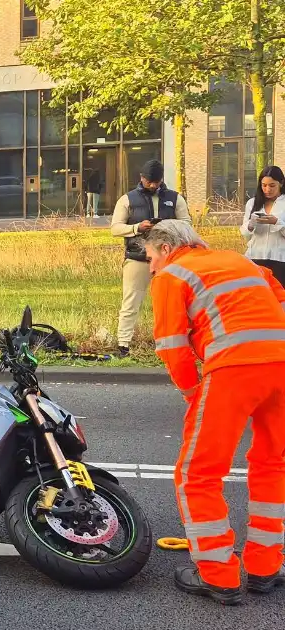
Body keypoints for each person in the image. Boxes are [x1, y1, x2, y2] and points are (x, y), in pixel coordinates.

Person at [146, 219, 285, 604]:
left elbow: (172, 347)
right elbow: (279, 301)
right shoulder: (243, 263)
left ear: (165, 248)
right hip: (282, 364)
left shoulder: (172, 275)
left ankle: (219, 574)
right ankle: (265, 566)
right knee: (272, 465)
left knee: (198, 474)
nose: (151, 267)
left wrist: (194, 392)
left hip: (233, 369)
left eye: (150, 258)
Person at [110, 159, 190, 357]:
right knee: (131, 300)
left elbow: (187, 223)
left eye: (157, 181)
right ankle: (123, 344)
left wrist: (168, 227)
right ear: (141, 178)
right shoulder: (127, 199)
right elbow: (115, 228)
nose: (153, 185)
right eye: (149, 182)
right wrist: (137, 228)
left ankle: (171, 344)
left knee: (170, 302)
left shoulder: (175, 198)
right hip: (138, 257)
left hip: (168, 259)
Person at [240, 165, 285, 287]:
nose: (267, 189)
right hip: (255, 257)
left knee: (279, 298)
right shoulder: (252, 203)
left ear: (281, 183)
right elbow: (245, 233)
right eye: (264, 185)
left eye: (272, 185)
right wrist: (251, 224)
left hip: (280, 259)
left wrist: (277, 222)